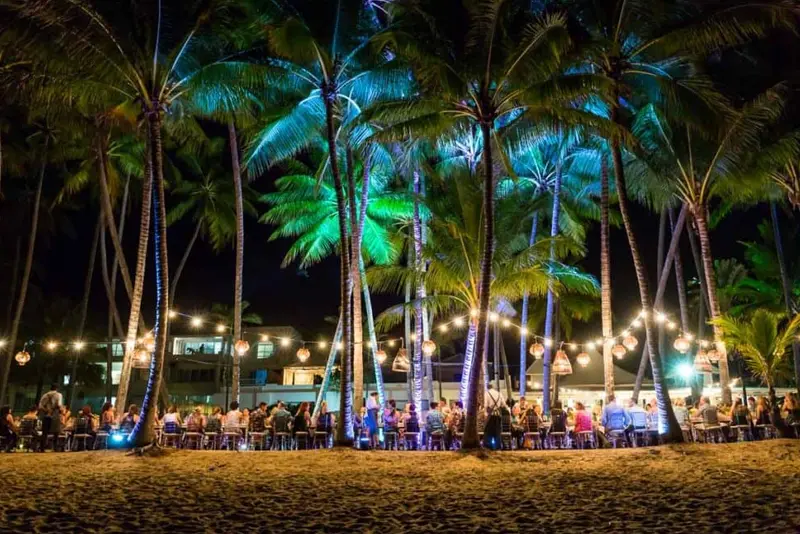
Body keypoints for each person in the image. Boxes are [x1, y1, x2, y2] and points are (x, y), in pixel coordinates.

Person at [38, 384, 63, 452]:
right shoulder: (59, 395)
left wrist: (46, 411)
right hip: (55, 415)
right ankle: (55, 448)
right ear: (56, 388)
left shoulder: (45, 395)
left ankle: (42, 448)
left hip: (46, 416)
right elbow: (59, 405)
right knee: (56, 432)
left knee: (45, 432)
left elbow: (40, 406)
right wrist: (60, 410)